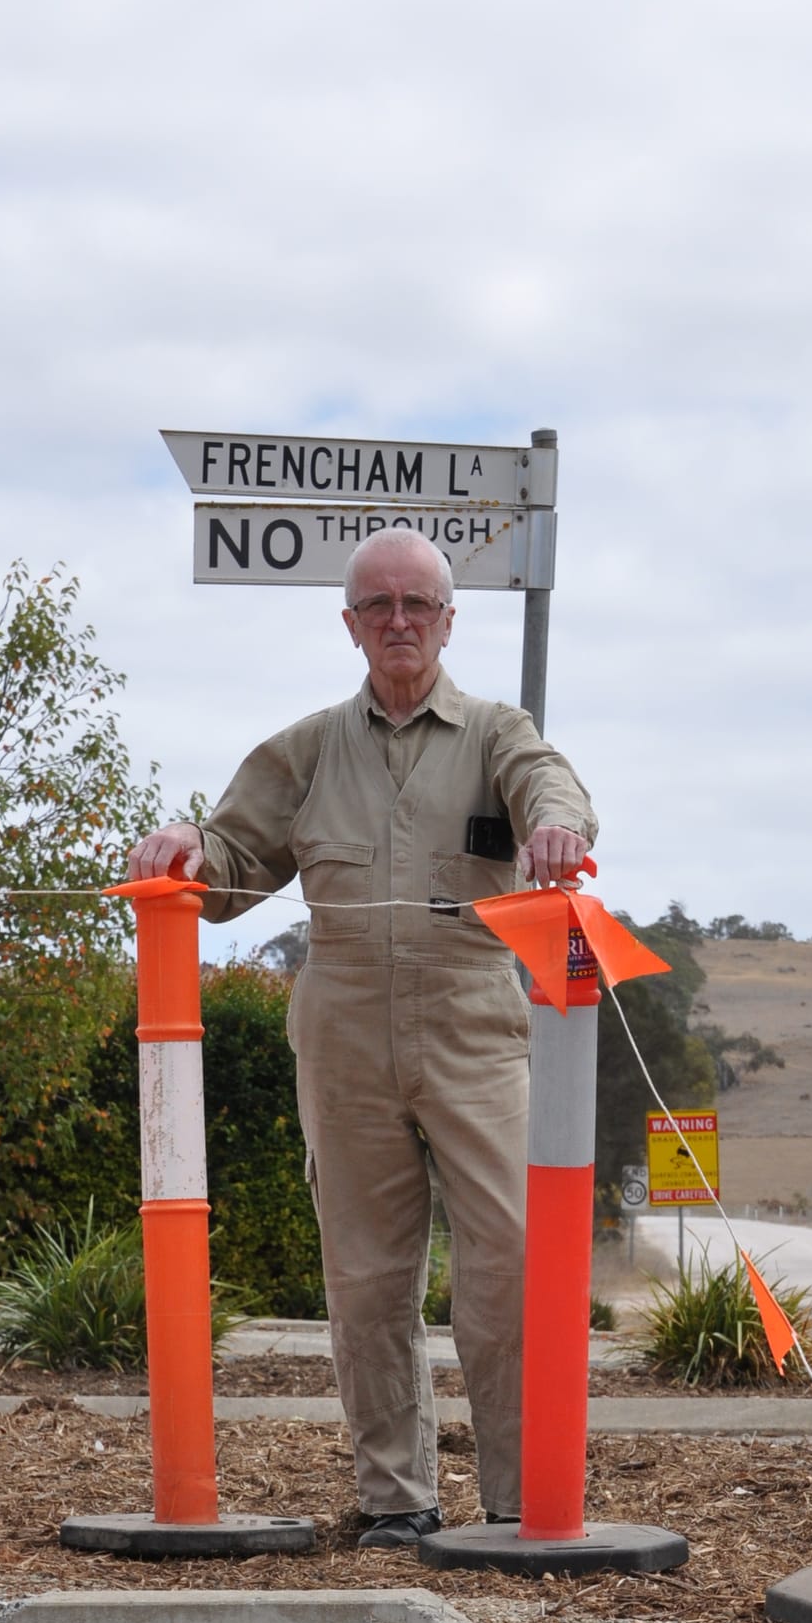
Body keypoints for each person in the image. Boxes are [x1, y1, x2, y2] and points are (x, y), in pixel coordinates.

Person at [128, 523, 596, 1545]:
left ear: (446, 620)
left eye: (416, 604)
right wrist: (183, 846)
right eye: (377, 606)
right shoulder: (304, 749)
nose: (398, 621)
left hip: (475, 1022)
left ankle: (520, 1500)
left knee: (507, 1264)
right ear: (349, 624)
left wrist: (557, 830)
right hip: (340, 1029)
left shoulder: (494, 732)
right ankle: (395, 1499)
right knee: (366, 1277)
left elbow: (551, 788)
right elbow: (228, 857)